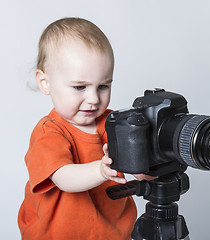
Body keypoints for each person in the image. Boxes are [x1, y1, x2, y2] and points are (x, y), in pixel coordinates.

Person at [18, 17, 137, 240]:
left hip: (113, 233)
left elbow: (138, 166)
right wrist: (100, 171)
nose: (93, 98)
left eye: (103, 86)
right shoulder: (49, 132)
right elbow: (64, 178)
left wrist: (147, 169)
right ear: (45, 82)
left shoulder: (112, 122)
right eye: (79, 87)